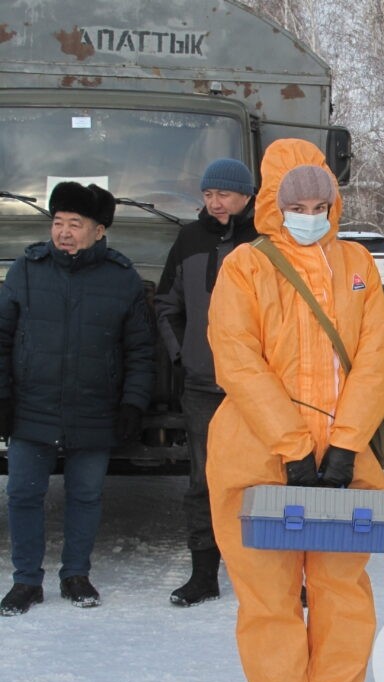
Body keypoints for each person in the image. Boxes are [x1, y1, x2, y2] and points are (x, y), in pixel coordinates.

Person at [205, 138, 384, 682]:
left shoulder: (359, 264)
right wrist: (290, 445)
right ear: (272, 204)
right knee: (268, 586)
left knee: (342, 584)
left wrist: (344, 444)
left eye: (320, 201)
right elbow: (237, 359)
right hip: (258, 454)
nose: (309, 212)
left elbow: (374, 358)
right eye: (296, 202)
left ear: (334, 201)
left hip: (344, 456)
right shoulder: (245, 267)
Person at [0, 181, 155, 616]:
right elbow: (2, 337)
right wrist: (3, 399)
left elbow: (139, 351)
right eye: (58, 222)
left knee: (85, 496)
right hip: (33, 405)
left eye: (75, 224)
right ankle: (26, 581)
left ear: (99, 230)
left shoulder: (121, 279)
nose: (64, 232)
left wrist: (132, 404)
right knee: (23, 495)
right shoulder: (26, 270)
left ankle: (75, 575)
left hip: (94, 408)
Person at [154, 158, 257, 607]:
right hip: (202, 385)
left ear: (247, 198)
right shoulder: (188, 238)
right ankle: (204, 575)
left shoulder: (265, 241)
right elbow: (165, 304)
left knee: (264, 479)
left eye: (225, 195)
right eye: (209, 194)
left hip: (257, 388)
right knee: (203, 480)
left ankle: (276, 573)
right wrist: (184, 353)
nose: (215, 203)